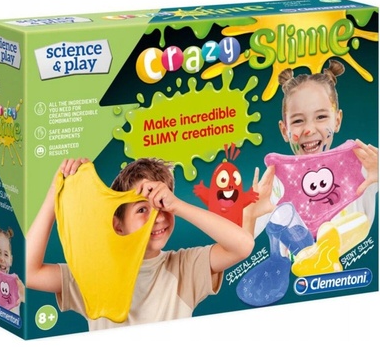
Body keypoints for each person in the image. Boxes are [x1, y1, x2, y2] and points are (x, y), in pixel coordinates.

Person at [26, 157, 255, 330]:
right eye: (142, 209)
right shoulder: (93, 273)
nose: (158, 217)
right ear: (118, 225)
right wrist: (55, 194)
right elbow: (29, 273)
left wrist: (177, 205)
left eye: (162, 203)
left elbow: (243, 245)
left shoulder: (184, 267)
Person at [243, 59, 378, 238]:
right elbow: (239, 243)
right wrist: (249, 215)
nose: (309, 130)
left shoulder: (362, 165)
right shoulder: (275, 184)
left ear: (337, 121)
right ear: (284, 130)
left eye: (321, 117)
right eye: (298, 121)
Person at [0, 223, 25, 313]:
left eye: (6, 254)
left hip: (14, 319)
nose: (2, 259)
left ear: (11, 259)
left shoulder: (18, 284)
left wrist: (26, 296)